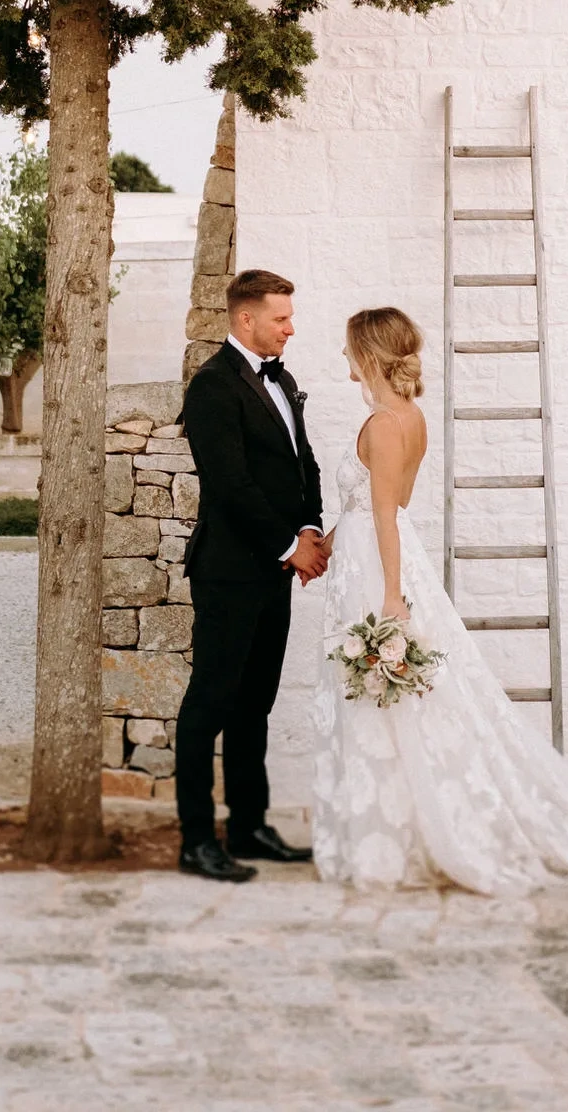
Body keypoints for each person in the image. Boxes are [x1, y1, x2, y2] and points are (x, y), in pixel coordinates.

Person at [313, 306, 568, 893]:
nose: (342, 358)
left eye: (347, 348)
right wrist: (325, 549)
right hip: (371, 553)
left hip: (380, 570)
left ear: (367, 354)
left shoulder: (385, 424)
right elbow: (371, 505)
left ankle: (396, 838)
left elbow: (384, 511)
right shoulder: (409, 417)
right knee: (394, 700)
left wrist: (390, 597)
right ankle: (398, 825)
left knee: (389, 698)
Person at [176, 268, 326, 881]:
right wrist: (290, 546)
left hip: (273, 572)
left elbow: (302, 462)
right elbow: (230, 485)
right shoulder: (212, 387)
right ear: (246, 320)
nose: (291, 327)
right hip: (229, 573)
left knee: (254, 703)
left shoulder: (282, 378)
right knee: (209, 703)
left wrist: (310, 528)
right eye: (281, 318)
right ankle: (195, 841)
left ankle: (247, 825)